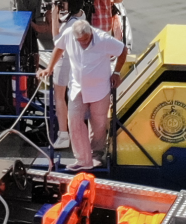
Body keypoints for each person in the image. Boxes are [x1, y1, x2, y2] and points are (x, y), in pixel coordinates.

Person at [44, 19, 127, 171]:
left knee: (99, 123)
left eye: (86, 40)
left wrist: (116, 72)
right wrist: (49, 67)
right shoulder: (69, 34)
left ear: (91, 33)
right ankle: (82, 159)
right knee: (74, 120)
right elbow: (59, 48)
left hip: (100, 89)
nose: (83, 44)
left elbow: (122, 50)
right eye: (80, 41)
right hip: (77, 88)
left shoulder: (103, 39)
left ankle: (96, 156)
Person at [11, 0, 57, 76]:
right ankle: (24, 73)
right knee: (26, 51)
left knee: (35, 51)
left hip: (33, 17)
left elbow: (49, 1)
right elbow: (22, 16)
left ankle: (35, 73)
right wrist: (38, 27)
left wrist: (49, 16)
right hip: (20, 22)